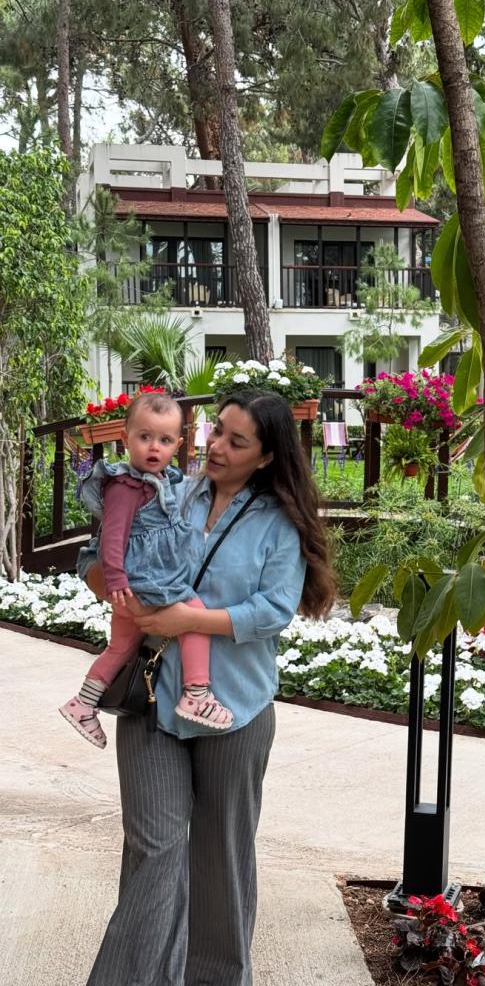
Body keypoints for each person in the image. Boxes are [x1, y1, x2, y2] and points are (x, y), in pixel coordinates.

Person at [78, 388, 336, 986]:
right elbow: (97, 557)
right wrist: (114, 588)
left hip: (236, 709)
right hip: (151, 697)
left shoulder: (277, 523)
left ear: (267, 456)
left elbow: (272, 610)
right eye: (216, 430)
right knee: (155, 851)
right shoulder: (166, 486)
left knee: (221, 861)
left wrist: (187, 620)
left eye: (235, 440)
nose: (215, 446)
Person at [60, 391, 233, 749]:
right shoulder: (126, 486)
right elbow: (112, 536)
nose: (154, 447)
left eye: (165, 440)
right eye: (145, 437)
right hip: (146, 581)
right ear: (125, 438)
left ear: (179, 444)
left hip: (134, 586)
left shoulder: (166, 481)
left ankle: (84, 702)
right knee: (194, 617)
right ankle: (197, 693)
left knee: (121, 646)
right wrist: (115, 579)